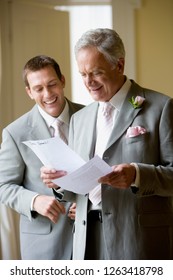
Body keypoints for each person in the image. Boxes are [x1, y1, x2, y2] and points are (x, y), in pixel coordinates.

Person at [41, 28, 173, 260]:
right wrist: (58, 182)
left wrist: (137, 175)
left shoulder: (161, 107)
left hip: (137, 240)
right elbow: (77, 189)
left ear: (119, 65)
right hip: (86, 240)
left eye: (96, 72)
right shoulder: (79, 119)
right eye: (82, 74)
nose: (88, 82)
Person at [0, 55, 83, 259]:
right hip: (44, 245)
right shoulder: (14, 132)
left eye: (52, 84)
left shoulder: (89, 116)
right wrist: (35, 200)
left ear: (62, 81)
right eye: (38, 88)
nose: (48, 94)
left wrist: (88, 202)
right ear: (29, 92)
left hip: (91, 236)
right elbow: (3, 186)